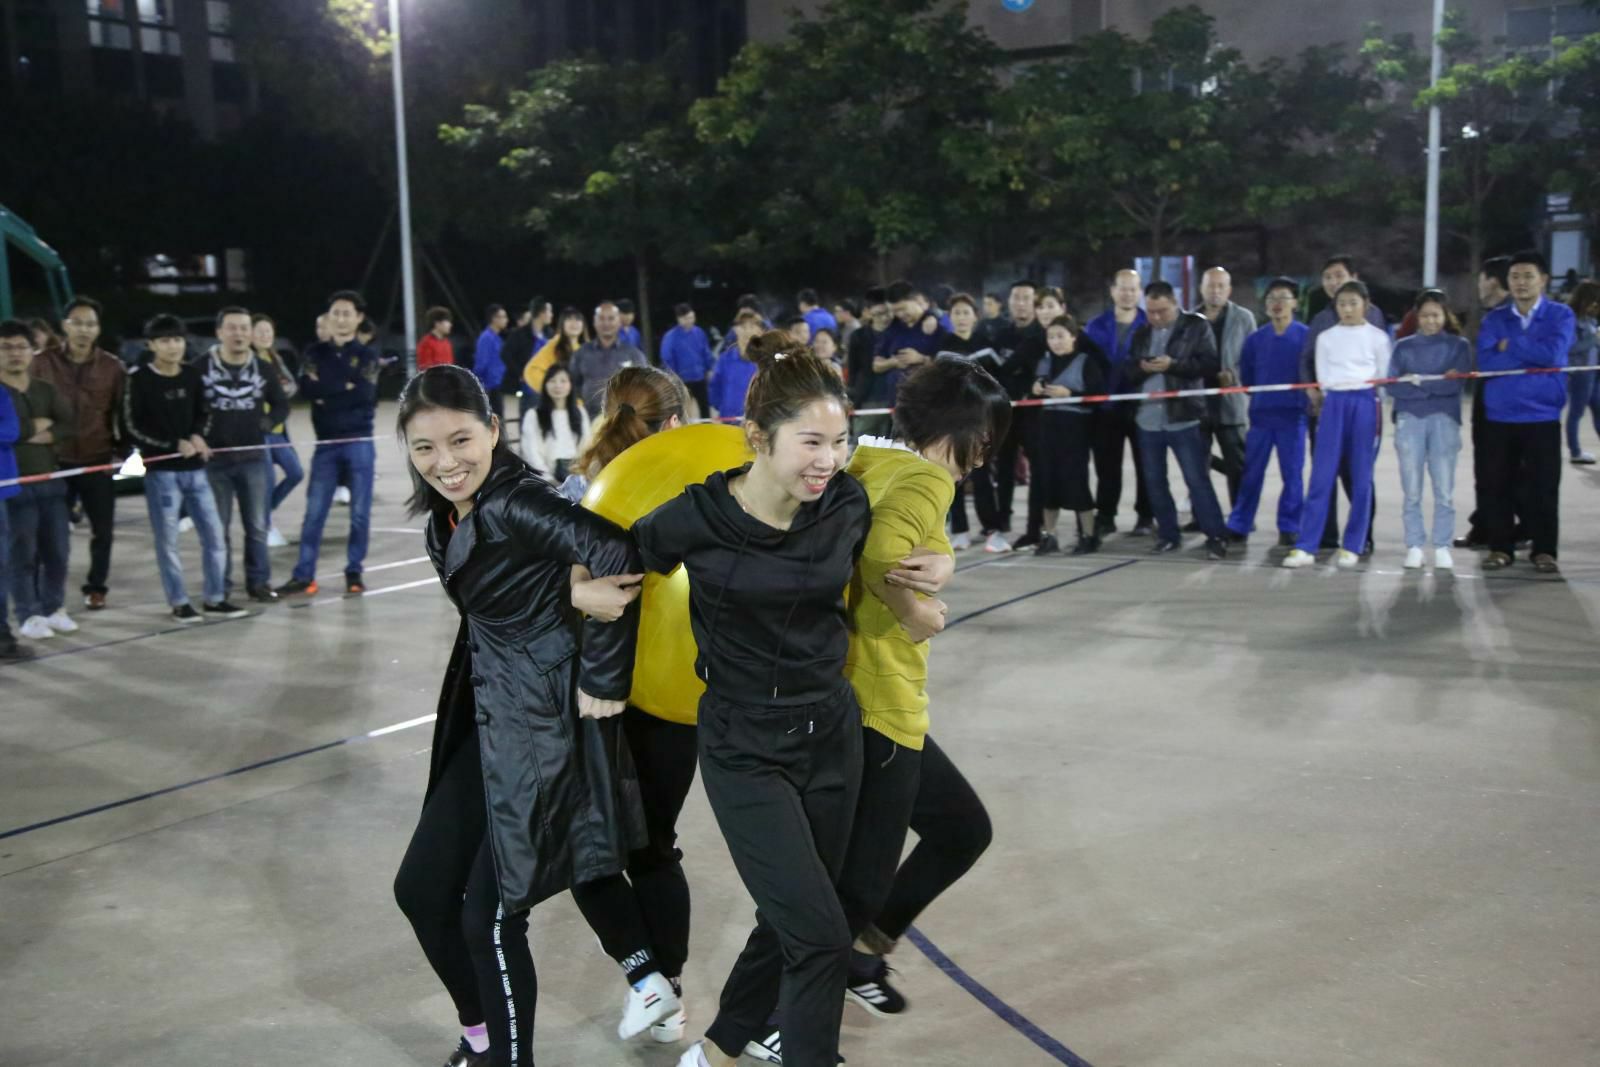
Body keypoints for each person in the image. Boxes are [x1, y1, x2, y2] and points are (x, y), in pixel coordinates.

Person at [390, 365, 677, 1067]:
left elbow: (618, 552)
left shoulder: (517, 500)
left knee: (489, 917)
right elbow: (515, 594)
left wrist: (603, 680)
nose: (445, 462)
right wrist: (564, 592)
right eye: (424, 447)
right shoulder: (446, 516)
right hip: (489, 715)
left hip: (547, 728)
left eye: (460, 439)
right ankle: (482, 1035)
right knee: (420, 889)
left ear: (493, 430)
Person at [636, 336, 871, 1067]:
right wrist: (581, 588)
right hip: (744, 746)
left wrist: (940, 562)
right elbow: (614, 553)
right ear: (758, 437)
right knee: (822, 937)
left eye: (839, 441)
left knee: (799, 914)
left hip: (831, 734)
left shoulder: (847, 503)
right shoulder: (699, 515)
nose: (828, 460)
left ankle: (718, 1047)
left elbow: (908, 492)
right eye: (811, 442)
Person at [810, 358, 1007, 1036]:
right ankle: (780, 1019)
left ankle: (862, 958)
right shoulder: (928, 478)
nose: (985, 452)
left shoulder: (870, 460)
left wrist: (944, 560)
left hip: (848, 687)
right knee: (858, 883)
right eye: (985, 435)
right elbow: (879, 553)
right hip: (882, 701)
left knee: (960, 828)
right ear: (961, 429)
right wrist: (915, 610)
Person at [122, 315, 244, 621]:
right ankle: (179, 602)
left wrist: (199, 436)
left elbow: (206, 412)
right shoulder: (138, 380)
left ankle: (215, 598)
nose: (173, 346)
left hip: (197, 471)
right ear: (151, 345)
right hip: (162, 475)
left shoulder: (192, 375)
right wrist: (171, 445)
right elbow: (131, 427)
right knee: (168, 542)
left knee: (215, 537)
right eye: (164, 341)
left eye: (177, 339)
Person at [1475, 250, 1575, 573]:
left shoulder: (1560, 315)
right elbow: (1487, 363)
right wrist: (1527, 351)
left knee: (1543, 486)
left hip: (1542, 415)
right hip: (1500, 416)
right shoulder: (1494, 319)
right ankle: (1500, 548)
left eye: (1528, 276)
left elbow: (1553, 355)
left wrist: (1510, 344)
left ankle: (1544, 550)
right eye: (1515, 277)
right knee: (1497, 484)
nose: (1521, 283)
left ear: (1543, 280)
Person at [277, 291, 380, 597]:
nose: (341, 319)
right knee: (314, 513)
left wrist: (327, 392)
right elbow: (307, 389)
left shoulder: (368, 355)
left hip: (360, 441)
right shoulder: (314, 352)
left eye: (347, 313)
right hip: (326, 444)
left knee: (359, 513)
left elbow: (365, 393)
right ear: (328, 317)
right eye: (336, 313)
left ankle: (354, 571)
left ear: (358, 318)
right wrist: (343, 388)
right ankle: (304, 575)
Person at [1284, 281, 1390, 569]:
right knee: (1322, 474)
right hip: (1334, 404)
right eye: (1342, 304)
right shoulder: (1326, 338)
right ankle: (1307, 545)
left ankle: (1353, 544)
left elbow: (1383, 376)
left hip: (1365, 402)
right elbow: (1323, 375)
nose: (1347, 309)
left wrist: (1372, 403)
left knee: (1361, 476)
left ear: (1366, 304)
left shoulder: (1378, 337)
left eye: (1353, 303)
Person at [34, 295, 124, 612]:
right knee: (51, 533)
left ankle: (96, 587)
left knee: (103, 531)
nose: (84, 330)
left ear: (98, 329)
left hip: (97, 460)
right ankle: (46, 592)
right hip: (54, 462)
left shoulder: (112, 367)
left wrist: (123, 454)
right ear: (65, 326)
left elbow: (122, 413)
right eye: (77, 323)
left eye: (90, 324)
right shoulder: (42, 362)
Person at [1128, 281, 1229, 559]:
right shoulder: (1141, 333)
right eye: (1150, 311)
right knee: (1154, 481)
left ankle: (1216, 535)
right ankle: (1168, 535)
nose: (1156, 317)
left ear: (1175, 303)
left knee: (1197, 479)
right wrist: (1141, 368)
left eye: (1162, 311)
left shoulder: (1196, 326)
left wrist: (1174, 365)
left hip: (1185, 416)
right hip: (1148, 418)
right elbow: (1128, 370)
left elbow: (1209, 365)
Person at [200, 307, 286, 603]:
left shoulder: (263, 368)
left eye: (244, 328)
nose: (238, 334)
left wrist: (267, 423)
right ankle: (220, 586)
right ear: (219, 332)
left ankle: (258, 583)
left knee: (257, 526)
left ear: (250, 333)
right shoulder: (201, 367)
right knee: (217, 529)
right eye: (232, 328)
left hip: (254, 459)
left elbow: (281, 404)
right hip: (214, 462)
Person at [1387, 290, 1472, 571]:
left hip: (1444, 420)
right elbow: (1392, 385)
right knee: (1411, 489)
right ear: (1416, 317)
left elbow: (1455, 385)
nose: (1430, 321)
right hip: (1409, 420)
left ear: (1445, 315)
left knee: (1443, 489)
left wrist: (1417, 382)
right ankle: (1414, 545)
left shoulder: (1459, 346)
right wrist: (1435, 383)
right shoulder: (1402, 347)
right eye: (1425, 315)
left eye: (1436, 315)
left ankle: (1442, 545)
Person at [2, 319, 75, 645]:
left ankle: (54, 607)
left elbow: (67, 423)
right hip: (12, 486)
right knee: (22, 554)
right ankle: (27, 615)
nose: (14, 353)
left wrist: (30, 435)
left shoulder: (45, 389)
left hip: (51, 481)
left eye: (21, 346)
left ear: (33, 351)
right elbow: (9, 433)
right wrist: (34, 429)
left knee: (58, 551)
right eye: (6, 347)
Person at [1225, 278, 1310, 548]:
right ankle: (1240, 523)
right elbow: (1247, 377)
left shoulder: (1306, 336)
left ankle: (1289, 526)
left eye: (1283, 297)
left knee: (1292, 475)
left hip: (1292, 417)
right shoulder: (1255, 340)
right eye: (1272, 298)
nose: (1277, 303)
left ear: (1295, 303)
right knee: (1251, 474)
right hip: (1261, 416)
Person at [1030, 317, 1109, 556]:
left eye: (1061, 336)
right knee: (1047, 482)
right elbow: (1033, 392)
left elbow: (1098, 394)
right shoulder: (1044, 362)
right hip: (1047, 427)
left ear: (1073, 337)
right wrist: (1035, 388)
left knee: (1077, 482)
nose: (1056, 341)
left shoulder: (1086, 362)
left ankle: (1089, 535)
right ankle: (1049, 535)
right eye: (1051, 337)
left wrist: (1070, 393)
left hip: (1075, 429)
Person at [931, 293, 1004, 550]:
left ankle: (993, 530)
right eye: (957, 313)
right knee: (954, 476)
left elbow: (998, 383)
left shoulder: (986, 345)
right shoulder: (944, 349)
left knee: (982, 478)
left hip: (982, 422)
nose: (961, 317)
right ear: (950, 318)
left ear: (975, 316)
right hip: (953, 422)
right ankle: (959, 530)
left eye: (966, 312)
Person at [1084, 269, 1154, 537]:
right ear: (1112, 291)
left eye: (1133, 289)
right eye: (1123, 288)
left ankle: (1146, 516)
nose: (1128, 294)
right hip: (1105, 409)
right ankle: (1105, 516)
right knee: (1106, 467)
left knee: (1146, 465)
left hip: (1142, 406)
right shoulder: (1095, 326)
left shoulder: (1151, 324)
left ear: (1140, 292)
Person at [1456, 256, 1515, 549]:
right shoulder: (1491, 315)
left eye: (1480, 280)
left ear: (1492, 281)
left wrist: (1504, 350)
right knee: (1486, 468)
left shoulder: (1510, 315)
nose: (1478, 286)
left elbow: (1505, 358)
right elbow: (1488, 357)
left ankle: (1506, 528)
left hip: (1505, 402)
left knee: (1502, 469)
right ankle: (1485, 525)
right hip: (1487, 396)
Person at [1195, 267, 1256, 511]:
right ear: (1201, 289)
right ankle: (1202, 515)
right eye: (1211, 285)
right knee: (1198, 465)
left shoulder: (1244, 318)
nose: (1216, 291)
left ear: (1229, 290)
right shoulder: (1189, 319)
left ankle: (1240, 518)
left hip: (1231, 402)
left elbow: (1252, 357)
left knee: (1237, 464)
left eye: (1221, 286)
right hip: (1197, 404)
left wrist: (1234, 376)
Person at [251, 314, 303, 549]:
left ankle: (262, 515)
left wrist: (279, 391)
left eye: (268, 331)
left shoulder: (275, 358)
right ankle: (265, 526)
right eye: (260, 331)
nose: (265, 335)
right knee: (268, 480)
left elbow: (291, 386)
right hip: (259, 431)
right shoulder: (249, 360)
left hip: (278, 430)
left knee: (295, 473)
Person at [518, 365, 590, 483]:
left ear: (571, 385)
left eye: (563, 381)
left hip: (575, 477)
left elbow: (586, 446)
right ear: (545, 385)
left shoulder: (580, 412)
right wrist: (548, 479)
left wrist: (579, 475)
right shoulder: (533, 415)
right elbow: (531, 452)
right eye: (552, 381)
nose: (558, 385)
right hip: (545, 480)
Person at [573, 301, 647, 414]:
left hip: (623, 418)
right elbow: (573, 384)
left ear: (619, 322)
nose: (606, 323)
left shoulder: (633, 354)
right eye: (601, 319)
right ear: (594, 322)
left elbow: (643, 387)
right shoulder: (581, 353)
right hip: (588, 418)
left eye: (611, 318)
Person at [846, 288, 894, 438]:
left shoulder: (900, 332)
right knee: (865, 446)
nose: (885, 318)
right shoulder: (858, 336)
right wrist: (853, 397)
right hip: (867, 401)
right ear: (868, 312)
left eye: (888, 312)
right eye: (879, 313)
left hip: (895, 400)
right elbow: (852, 371)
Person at [1562, 280, 1600, 463]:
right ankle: (1575, 452)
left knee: (1598, 410)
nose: (1596, 306)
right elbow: (1570, 348)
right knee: (1576, 413)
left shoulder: (1590, 319)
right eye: (1594, 301)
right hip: (1579, 372)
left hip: (1593, 370)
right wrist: (1594, 339)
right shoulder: (1570, 319)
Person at [660, 303, 715, 418]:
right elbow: (667, 359)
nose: (690, 321)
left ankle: (707, 427)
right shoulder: (670, 337)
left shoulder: (699, 332)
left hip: (699, 377)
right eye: (686, 318)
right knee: (683, 410)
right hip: (682, 380)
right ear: (679, 319)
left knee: (705, 408)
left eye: (691, 317)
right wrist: (673, 378)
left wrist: (709, 368)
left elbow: (706, 352)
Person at [707, 308, 762, 422]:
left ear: (759, 330)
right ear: (735, 329)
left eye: (752, 326)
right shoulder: (724, 360)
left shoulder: (766, 359)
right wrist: (723, 409)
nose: (747, 331)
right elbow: (714, 389)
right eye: (743, 326)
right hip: (730, 421)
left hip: (758, 422)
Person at [522, 306, 590, 397]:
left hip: (585, 403)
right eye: (569, 319)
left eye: (578, 320)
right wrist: (552, 390)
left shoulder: (588, 348)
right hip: (562, 403)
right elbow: (532, 370)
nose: (574, 323)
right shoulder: (554, 346)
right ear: (562, 324)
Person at [471, 305, 508, 418]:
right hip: (489, 386)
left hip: (497, 384)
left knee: (498, 419)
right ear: (494, 319)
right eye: (503, 317)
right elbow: (481, 364)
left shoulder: (497, 338)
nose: (506, 320)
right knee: (492, 419)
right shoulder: (486, 338)